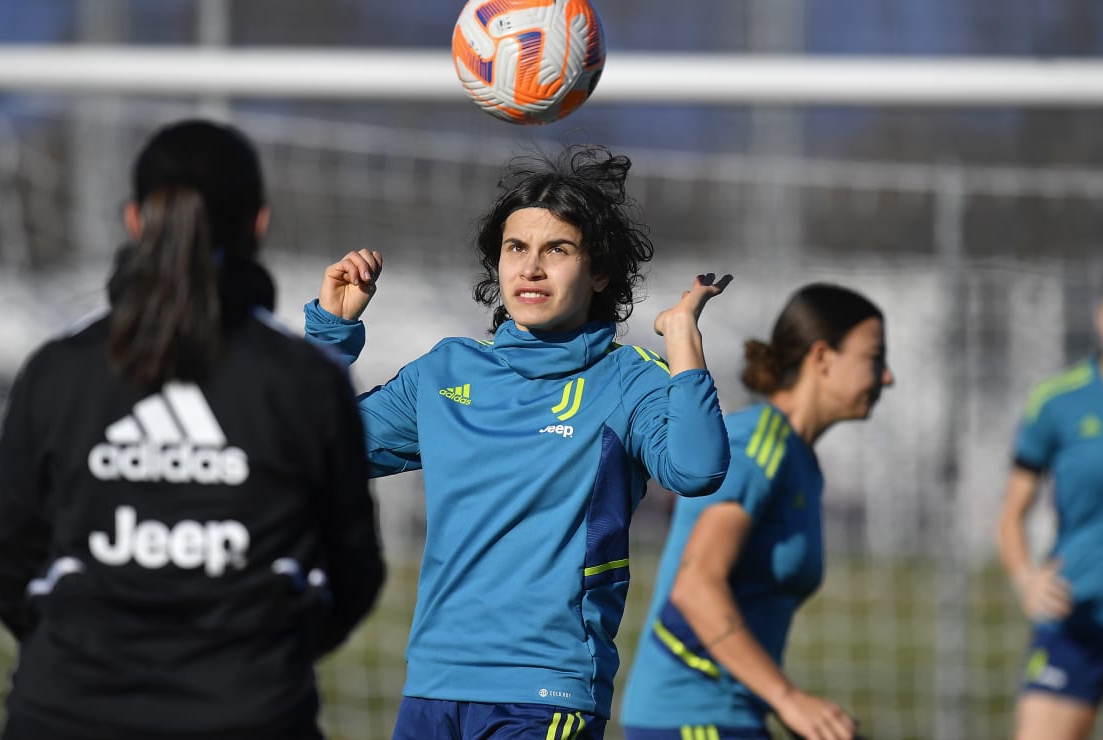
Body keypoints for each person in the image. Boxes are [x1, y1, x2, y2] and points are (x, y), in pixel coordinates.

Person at [304, 144, 732, 739]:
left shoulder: (626, 378)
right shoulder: (446, 372)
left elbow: (696, 468)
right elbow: (314, 451)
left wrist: (683, 338)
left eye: (557, 249)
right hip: (435, 684)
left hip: (545, 690)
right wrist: (332, 333)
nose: (530, 268)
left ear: (600, 271)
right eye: (516, 249)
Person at [0, 119, 384, 740]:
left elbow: (11, 564)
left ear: (136, 221)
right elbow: (352, 570)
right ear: (259, 224)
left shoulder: (59, 370)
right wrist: (262, 658)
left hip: (66, 710)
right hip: (252, 713)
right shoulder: (306, 380)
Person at [621, 283, 894, 740]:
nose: (887, 377)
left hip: (730, 717)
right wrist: (790, 700)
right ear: (823, 357)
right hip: (690, 720)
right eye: (875, 357)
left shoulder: (796, 457)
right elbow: (695, 586)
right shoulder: (758, 447)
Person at [996, 235, 1103, 740]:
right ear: (1100, 317)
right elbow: (1012, 515)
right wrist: (1026, 579)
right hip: (1074, 616)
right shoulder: (1057, 403)